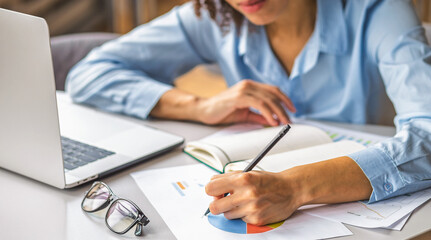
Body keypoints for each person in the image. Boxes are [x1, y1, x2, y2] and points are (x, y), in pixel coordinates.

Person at [66, 0, 431, 225]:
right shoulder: (214, 12)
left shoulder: (377, 8)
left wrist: (295, 187)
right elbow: (88, 74)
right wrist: (200, 106)